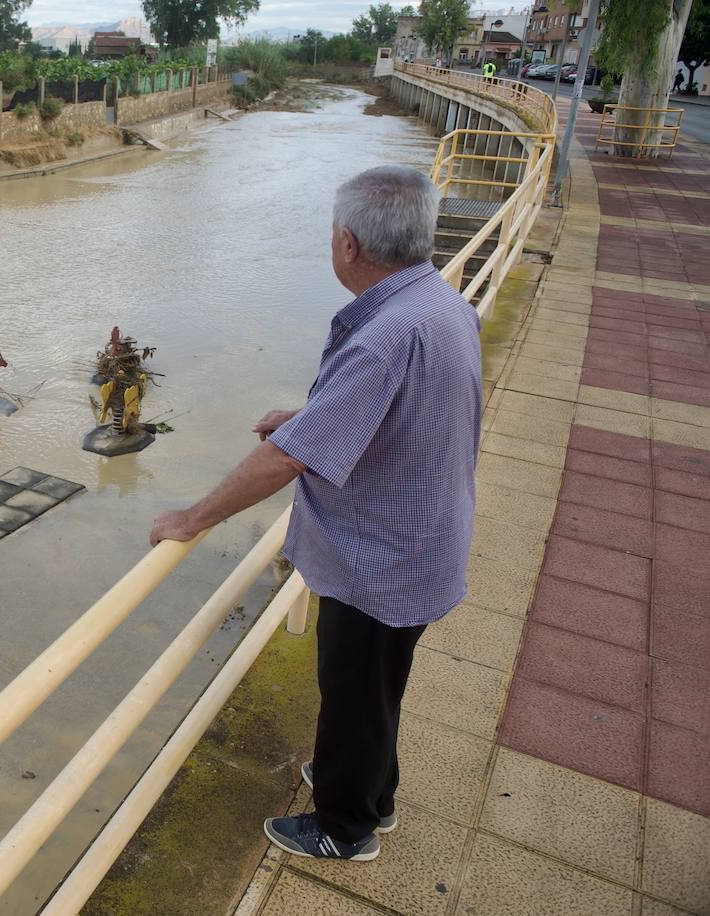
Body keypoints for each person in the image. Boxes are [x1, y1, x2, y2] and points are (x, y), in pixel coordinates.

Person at [148, 166, 482, 863]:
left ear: (350, 246)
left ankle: (345, 827)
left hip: (378, 559)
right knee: (379, 685)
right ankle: (371, 792)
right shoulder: (435, 304)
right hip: (424, 541)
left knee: (356, 690)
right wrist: (312, 417)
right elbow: (391, 406)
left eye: (334, 234)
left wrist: (192, 518)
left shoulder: (383, 337)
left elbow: (283, 462)